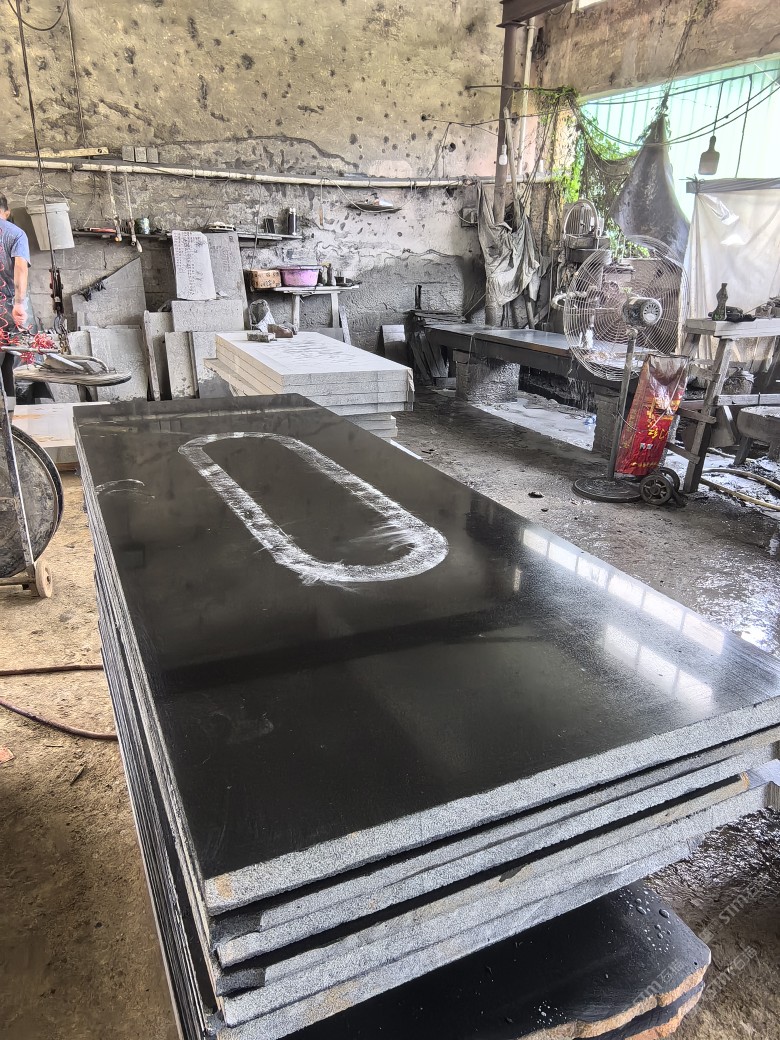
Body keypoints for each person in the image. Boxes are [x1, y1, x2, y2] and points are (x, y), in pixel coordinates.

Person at [0, 193, 31, 406]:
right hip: (10, 305)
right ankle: (14, 409)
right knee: (17, 357)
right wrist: (19, 303)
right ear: (7, 212)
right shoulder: (16, 234)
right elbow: (20, 266)